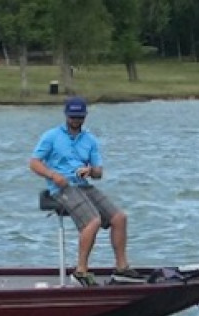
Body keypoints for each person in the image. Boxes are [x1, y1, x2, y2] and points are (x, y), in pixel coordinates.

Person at [29, 96, 141, 286]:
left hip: (83, 184)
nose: (76, 120)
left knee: (119, 218)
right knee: (93, 220)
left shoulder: (90, 140)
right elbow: (34, 163)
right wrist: (52, 175)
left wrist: (90, 171)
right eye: (72, 117)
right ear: (66, 115)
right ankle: (80, 271)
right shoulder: (51, 136)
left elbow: (98, 172)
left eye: (79, 117)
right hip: (61, 187)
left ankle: (122, 268)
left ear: (85, 116)